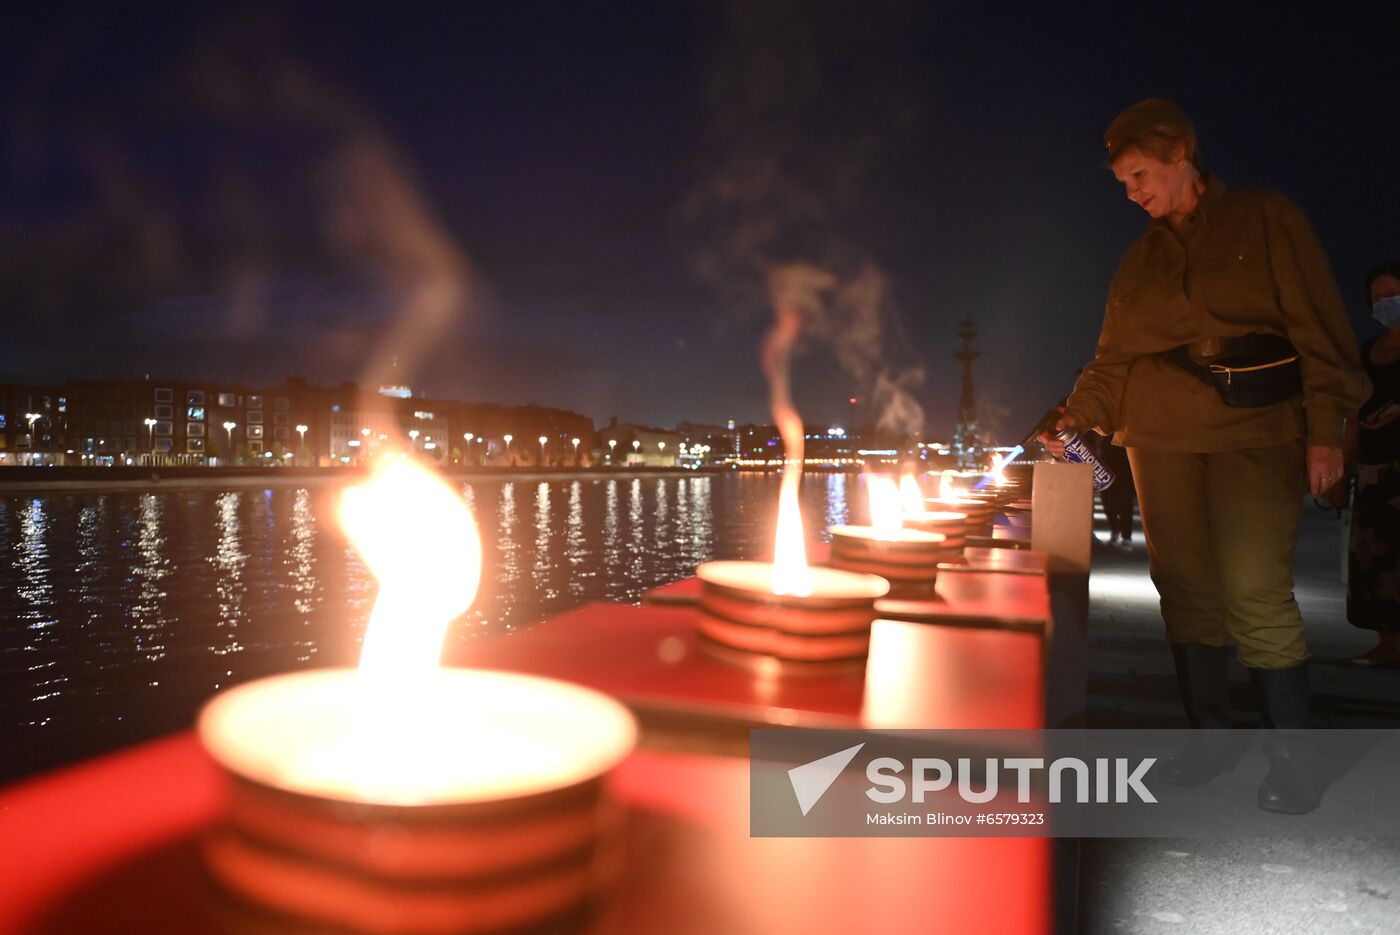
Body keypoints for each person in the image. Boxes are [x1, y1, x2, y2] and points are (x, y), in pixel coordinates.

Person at [1054, 99, 1369, 814]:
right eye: (1122, 183)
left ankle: (1294, 758)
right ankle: (1210, 740)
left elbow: (1319, 327)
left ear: (1180, 153)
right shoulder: (1139, 261)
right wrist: (1079, 417)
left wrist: (1325, 427)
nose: (1133, 192)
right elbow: (1112, 364)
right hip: (1159, 440)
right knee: (1187, 591)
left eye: (1139, 174)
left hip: (1254, 433)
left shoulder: (1265, 217)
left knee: (1256, 587)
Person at [1340, 260, 1400, 666]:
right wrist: (1341, 468)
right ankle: (1388, 644)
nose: (1385, 302)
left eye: (1393, 294)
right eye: (1378, 297)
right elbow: (1351, 410)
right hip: (1373, 468)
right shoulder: (1368, 352)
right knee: (1372, 557)